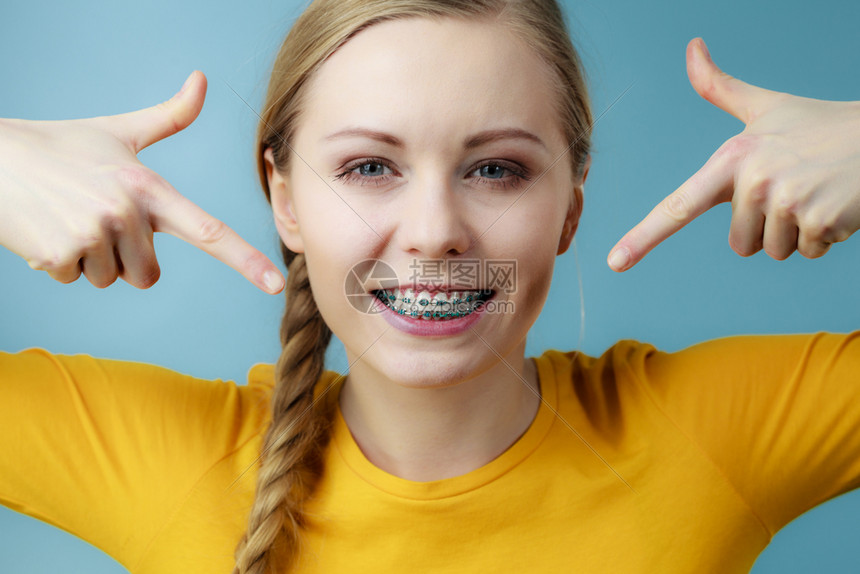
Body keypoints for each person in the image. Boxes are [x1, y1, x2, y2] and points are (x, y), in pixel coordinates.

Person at [1, 0, 858, 572]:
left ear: (569, 210)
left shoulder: (713, 434)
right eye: (370, 166)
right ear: (286, 201)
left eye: (496, 169)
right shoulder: (165, 462)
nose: (435, 231)